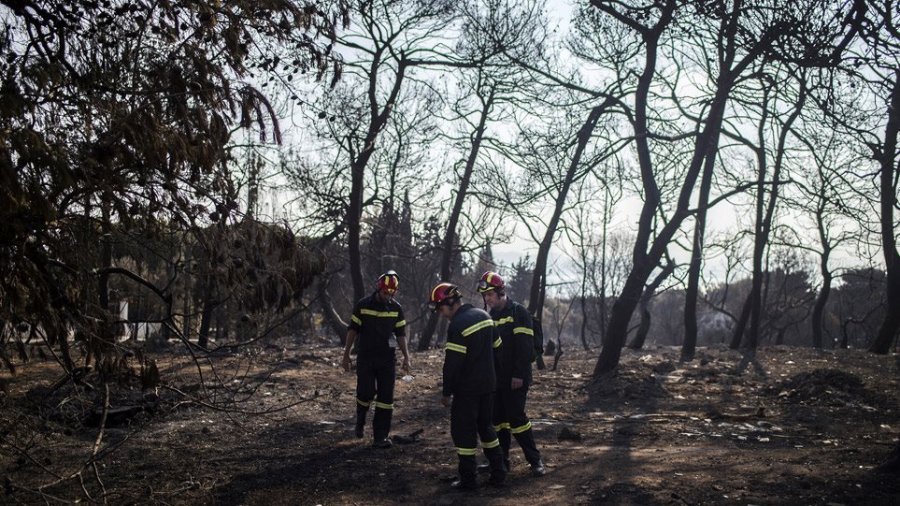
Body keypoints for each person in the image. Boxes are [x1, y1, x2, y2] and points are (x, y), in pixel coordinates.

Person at [431, 282, 506, 490]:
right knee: (486, 428)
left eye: (440, 307)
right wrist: (495, 379)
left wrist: (446, 393)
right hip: (488, 386)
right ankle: (499, 473)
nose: (441, 312)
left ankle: (468, 479)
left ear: (451, 302)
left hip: (467, 390)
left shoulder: (457, 325)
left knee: (463, 432)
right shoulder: (485, 316)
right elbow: (499, 351)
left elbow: (452, 364)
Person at [477, 271, 546, 476]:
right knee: (498, 421)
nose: (487, 299)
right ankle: (501, 462)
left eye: (490, 294)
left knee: (517, 418)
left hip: (516, 377)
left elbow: (524, 348)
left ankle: (535, 461)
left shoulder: (519, 313)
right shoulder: (490, 317)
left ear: (501, 292)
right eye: (485, 295)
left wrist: (518, 375)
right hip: (496, 379)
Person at [342, 271, 410, 448]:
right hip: (365, 357)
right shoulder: (363, 305)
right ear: (379, 289)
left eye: (391, 293)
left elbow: (401, 334)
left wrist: (406, 358)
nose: (388, 296)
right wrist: (346, 354)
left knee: (386, 399)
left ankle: (380, 437)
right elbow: (352, 330)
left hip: (387, 359)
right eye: (386, 292)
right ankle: (361, 417)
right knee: (366, 392)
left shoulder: (396, 308)